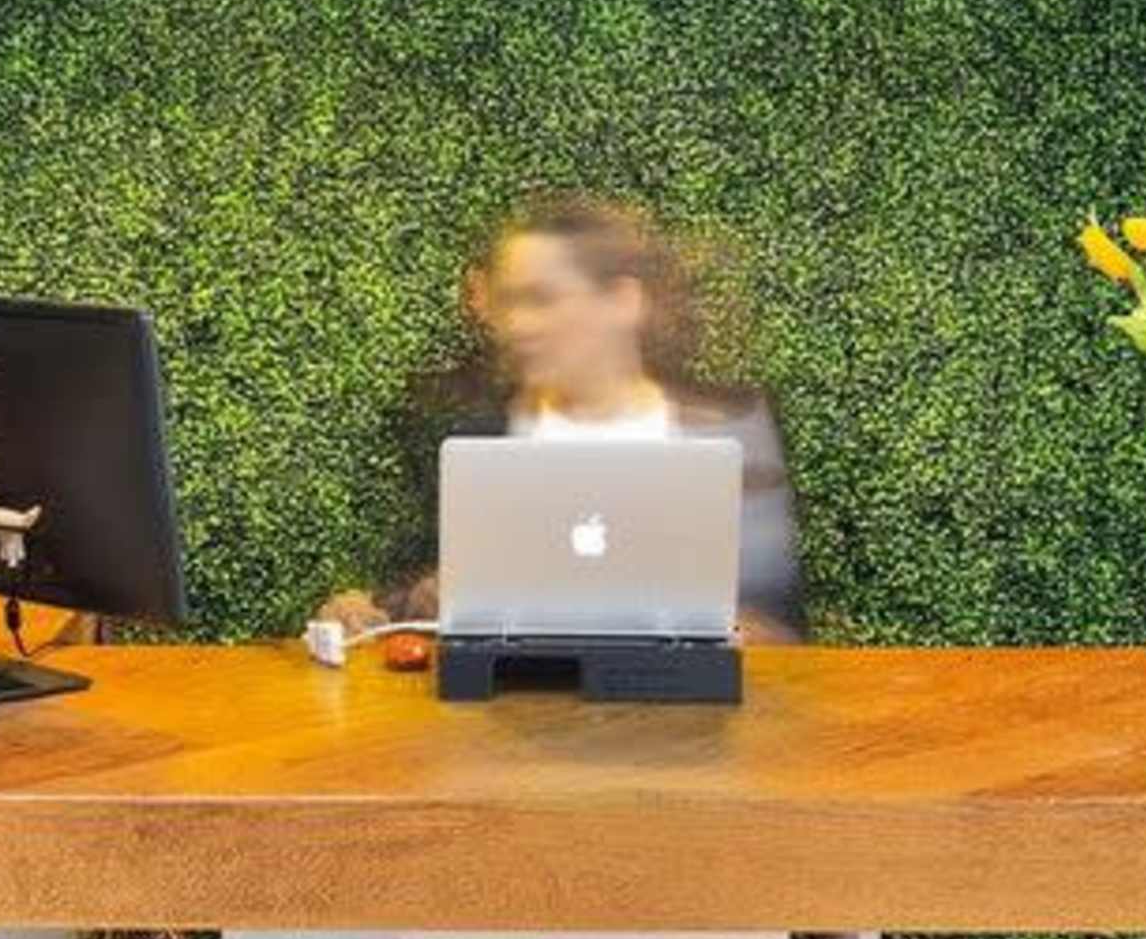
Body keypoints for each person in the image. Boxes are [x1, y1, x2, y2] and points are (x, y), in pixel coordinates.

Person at [317, 195, 804, 644]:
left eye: (542, 299)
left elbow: (780, 631)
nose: (518, 325)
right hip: (511, 700)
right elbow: (409, 598)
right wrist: (372, 607)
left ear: (623, 301)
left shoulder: (729, 428)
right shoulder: (461, 430)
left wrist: (726, 633)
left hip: (674, 699)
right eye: (509, 302)